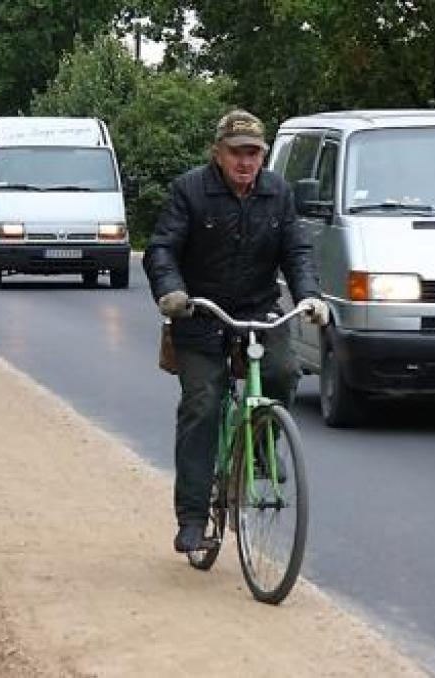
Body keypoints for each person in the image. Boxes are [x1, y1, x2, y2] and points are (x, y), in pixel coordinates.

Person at [143, 109, 329, 553]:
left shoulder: (277, 192)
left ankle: (262, 446)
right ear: (218, 153)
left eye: (253, 153)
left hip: (258, 310)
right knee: (203, 405)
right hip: (200, 313)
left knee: (284, 372)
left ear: (263, 155)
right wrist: (171, 292)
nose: (245, 162)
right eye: (236, 153)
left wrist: (309, 296)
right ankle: (193, 518)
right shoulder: (190, 190)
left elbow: (297, 251)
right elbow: (162, 249)